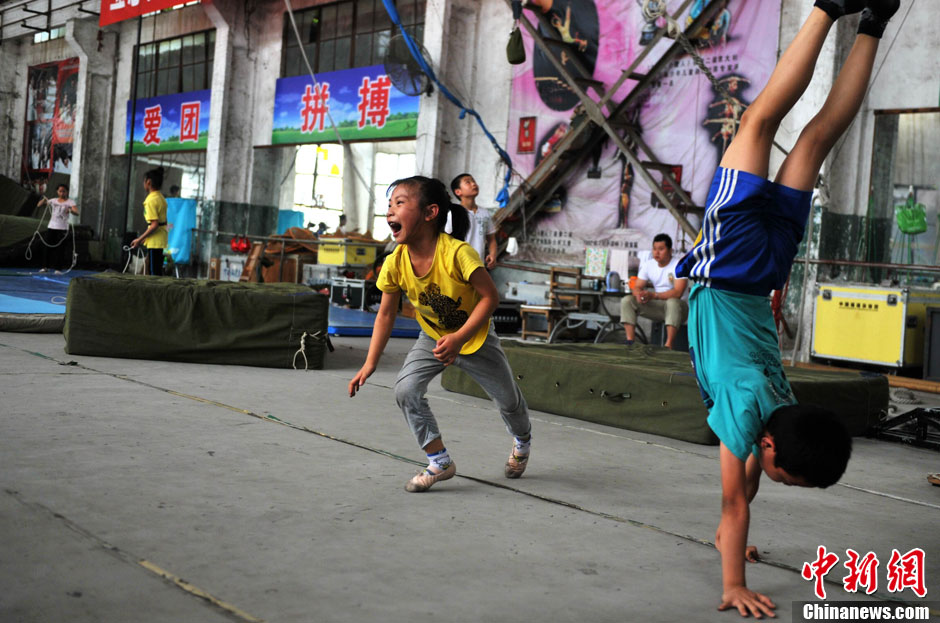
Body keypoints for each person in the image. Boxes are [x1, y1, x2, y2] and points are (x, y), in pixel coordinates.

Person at [674, 0, 898, 616]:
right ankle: (827, 9)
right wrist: (733, 583)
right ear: (771, 446)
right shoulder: (746, 410)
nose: (777, 481)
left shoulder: (781, 402)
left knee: (816, 139)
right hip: (728, 266)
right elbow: (734, 503)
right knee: (758, 122)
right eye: (786, 476)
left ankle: (874, 23)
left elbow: (747, 483)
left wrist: (730, 538)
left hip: (768, 268)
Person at [348, 176, 532, 492]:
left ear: (430, 213)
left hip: (474, 338)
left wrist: (459, 338)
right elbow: (386, 314)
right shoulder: (395, 262)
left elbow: (490, 298)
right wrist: (370, 362)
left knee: (508, 401)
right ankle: (440, 461)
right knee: (405, 390)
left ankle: (523, 440)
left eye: (400, 203)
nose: (390, 211)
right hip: (433, 336)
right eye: (389, 205)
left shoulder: (458, 253)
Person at [620, 233, 688, 349]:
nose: (657, 252)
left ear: (670, 251)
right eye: (654, 249)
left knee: (672, 302)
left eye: (661, 249)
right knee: (627, 300)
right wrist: (639, 294)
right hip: (658, 307)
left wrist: (654, 295)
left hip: (680, 309)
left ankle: (668, 345)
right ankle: (630, 342)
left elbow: (678, 293)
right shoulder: (648, 265)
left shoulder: (679, 265)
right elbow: (637, 286)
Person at [447, 173, 498, 269]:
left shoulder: (484, 213)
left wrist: (493, 254)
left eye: (473, 181)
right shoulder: (453, 214)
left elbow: (491, 239)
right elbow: (446, 240)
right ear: (458, 192)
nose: (474, 184)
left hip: (478, 264)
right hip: (457, 265)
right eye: (468, 182)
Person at [130, 166, 168, 276]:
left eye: (144, 181)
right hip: (160, 239)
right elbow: (163, 222)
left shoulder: (150, 200)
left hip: (155, 242)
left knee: (153, 273)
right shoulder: (161, 198)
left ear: (148, 182)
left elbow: (154, 225)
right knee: (156, 270)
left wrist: (139, 239)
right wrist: (145, 238)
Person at [36, 183, 78, 272]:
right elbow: (39, 205)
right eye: (60, 191)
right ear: (57, 192)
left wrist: (70, 210)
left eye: (64, 191)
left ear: (67, 192)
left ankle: (58, 268)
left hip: (63, 228)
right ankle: (45, 267)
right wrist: (43, 200)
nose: (62, 193)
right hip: (51, 227)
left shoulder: (70, 202)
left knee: (60, 248)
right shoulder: (53, 200)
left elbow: (76, 212)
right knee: (47, 247)